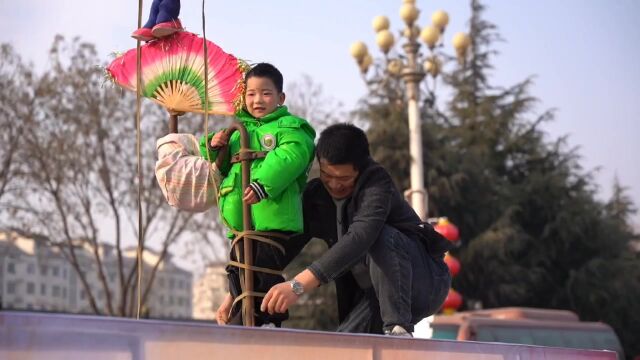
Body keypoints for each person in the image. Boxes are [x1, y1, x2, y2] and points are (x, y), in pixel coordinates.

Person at [155, 63, 315, 327]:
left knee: (260, 274)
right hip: (239, 225)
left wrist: (264, 185)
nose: (257, 100)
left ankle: (256, 322)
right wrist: (213, 144)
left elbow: (291, 157)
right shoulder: (237, 130)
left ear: (280, 98)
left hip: (270, 220)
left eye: (266, 93)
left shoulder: (290, 128)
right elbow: (213, 161)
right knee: (237, 274)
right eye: (251, 94)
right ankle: (247, 319)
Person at [260, 123, 452, 336]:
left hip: (423, 282)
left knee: (379, 235)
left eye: (344, 178)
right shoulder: (317, 197)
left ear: (360, 170)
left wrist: (298, 285)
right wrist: (240, 288)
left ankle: (398, 330)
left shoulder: (377, 184)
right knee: (343, 347)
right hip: (373, 297)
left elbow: (361, 236)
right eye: (327, 175)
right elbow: (284, 246)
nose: (334, 185)